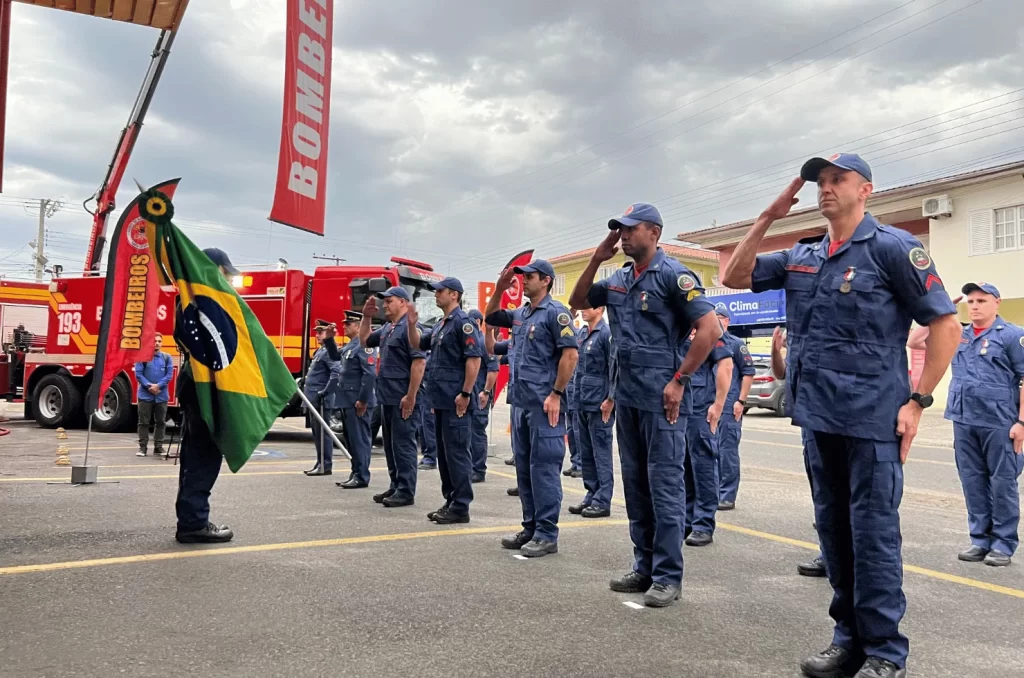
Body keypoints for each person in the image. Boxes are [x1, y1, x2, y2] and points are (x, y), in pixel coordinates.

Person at [721, 153, 961, 678]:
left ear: (866, 189)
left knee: (872, 535)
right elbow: (734, 275)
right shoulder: (802, 254)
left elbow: (945, 325)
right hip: (818, 415)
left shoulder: (895, 248)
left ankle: (885, 652)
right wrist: (767, 218)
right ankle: (846, 640)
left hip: (873, 418)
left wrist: (917, 400)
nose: (826, 189)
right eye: (820, 182)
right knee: (833, 533)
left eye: (837, 180)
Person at [568, 202, 722, 608]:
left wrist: (680, 381)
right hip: (629, 397)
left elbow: (710, 329)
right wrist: (596, 258)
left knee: (665, 488)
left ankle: (668, 576)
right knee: (636, 488)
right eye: (619, 230)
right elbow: (578, 298)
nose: (623, 236)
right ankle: (645, 566)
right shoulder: (617, 278)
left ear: (654, 232)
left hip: (663, 401)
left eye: (631, 230)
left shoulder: (674, 276)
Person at [909, 283, 1024, 567]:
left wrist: (1021, 422)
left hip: (1000, 421)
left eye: (981, 301)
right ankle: (980, 540)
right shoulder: (957, 333)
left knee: (1002, 483)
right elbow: (915, 341)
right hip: (964, 419)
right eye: (970, 301)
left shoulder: (1012, 335)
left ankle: (1003, 544)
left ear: (996, 303)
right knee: (972, 481)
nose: (974, 306)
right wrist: (940, 310)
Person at [486, 259, 579, 558]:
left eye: (530, 277)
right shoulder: (520, 314)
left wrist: (556, 394)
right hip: (521, 404)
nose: (523, 281)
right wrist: (500, 288)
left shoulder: (556, 313)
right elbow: (490, 317)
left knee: (544, 471)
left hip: (544, 405)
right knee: (524, 471)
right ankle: (531, 527)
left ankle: (547, 533)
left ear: (546, 281)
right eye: (522, 277)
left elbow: (570, 356)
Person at [173, 246, 242, 543]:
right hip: (204, 388)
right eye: (226, 274)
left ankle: (190, 517)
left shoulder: (190, 301)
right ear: (214, 271)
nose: (229, 280)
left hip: (195, 387)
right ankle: (194, 522)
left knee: (194, 456)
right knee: (203, 455)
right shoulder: (203, 303)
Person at [407, 277, 485, 523]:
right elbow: (418, 343)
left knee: (457, 454)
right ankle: (450, 500)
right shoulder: (442, 324)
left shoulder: (464, 323)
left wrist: (465, 393)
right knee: (445, 454)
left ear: (454, 295)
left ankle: (461, 506)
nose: (436, 295)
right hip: (440, 400)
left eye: (440, 291)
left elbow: (474, 360)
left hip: (455, 402)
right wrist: (411, 324)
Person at [360, 286, 426, 507]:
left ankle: (406, 491)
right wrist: (367, 317)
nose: (385, 305)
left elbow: (419, 363)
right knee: (390, 445)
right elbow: (365, 340)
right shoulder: (389, 327)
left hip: (402, 397)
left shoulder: (410, 328)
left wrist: (411, 396)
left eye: (389, 301)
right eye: (384, 302)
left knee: (403, 444)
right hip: (386, 396)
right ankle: (396, 483)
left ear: (403, 303)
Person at [772, 325, 827, 578]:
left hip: (826, 421)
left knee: (835, 494)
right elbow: (781, 373)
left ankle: (840, 557)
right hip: (807, 425)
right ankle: (829, 554)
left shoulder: (818, 339)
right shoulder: (794, 342)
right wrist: (775, 349)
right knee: (821, 494)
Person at [683, 327, 733, 547]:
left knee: (702, 465)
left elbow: (726, 364)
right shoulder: (675, 323)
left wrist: (718, 404)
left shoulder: (707, 326)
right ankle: (686, 520)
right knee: (682, 467)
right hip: (678, 406)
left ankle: (703, 523)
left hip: (700, 406)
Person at [567, 305, 616, 518]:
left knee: (601, 453)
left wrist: (611, 398)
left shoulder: (606, 334)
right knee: (586, 452)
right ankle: (591, 493)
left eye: (589, 305)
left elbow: (614, 367)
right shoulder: (582, 333)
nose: (583, 309)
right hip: (581, 401)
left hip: (599, 403)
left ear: (601, 309)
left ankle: (603, 500)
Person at [715, 308, 756, 511]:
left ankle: (727, 495)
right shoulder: (707, 343)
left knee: (727, 451)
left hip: (730, 408)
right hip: (710, 407)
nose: (717, 322)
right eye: (713, 319)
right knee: (709, 451)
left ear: (727, 321)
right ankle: (713, 492)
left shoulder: (736, 344)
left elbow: (748, 373)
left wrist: (741, 401)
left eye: (720, 319)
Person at [334, 310, 378, 490]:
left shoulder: (364, 345)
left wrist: (363, 400)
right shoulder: (351, 345)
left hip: (358, 401)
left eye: (348, 324)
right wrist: (330, 339)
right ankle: (355, 471)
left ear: (359, 326)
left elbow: (369, 375)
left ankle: (362, 475)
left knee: (360, 439)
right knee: (351, 439)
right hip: (347, 399)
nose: (344, 326)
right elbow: (335, 356)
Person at [302, 319, 343, 476]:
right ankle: (320, 462)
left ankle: (325, 465)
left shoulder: (328, 352)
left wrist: (325, 392)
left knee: (323, 433)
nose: (317, 335)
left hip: (321, 399)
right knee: (317, 432)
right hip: (314, 399)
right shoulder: (320, 351)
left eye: (320, 332)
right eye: (316, 332)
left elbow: (336, 373)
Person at [468, 309, 499, 483]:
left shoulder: (483, 343)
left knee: (477, 431)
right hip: (471, 395)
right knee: (469, 432)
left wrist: (486, 392)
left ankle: (479, 469)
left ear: (479, 322)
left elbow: (493, 370)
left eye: (473, 321)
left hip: (480, 395)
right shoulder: (471, 342)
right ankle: (471, 466)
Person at [134, 334, 174, 458]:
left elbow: (169, 374)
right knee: (143, 422)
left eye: (159, 341)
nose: (156, 343)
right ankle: (143, 448)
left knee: (161, 422)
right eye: (154, 341)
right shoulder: (143, 357)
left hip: (161, 396)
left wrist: (158, 386)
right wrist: (149, 386)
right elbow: (138, 374)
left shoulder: (167, 357)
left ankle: (158, 447)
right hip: (145, 396)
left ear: (162, 343)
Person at [563, 316, 583, 478]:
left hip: (577, 390)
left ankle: (581, 464)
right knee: (570, 430)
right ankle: (575, 461)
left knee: (577, 430)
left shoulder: (579, 334)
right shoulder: (575, 336)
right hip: (568, 391)